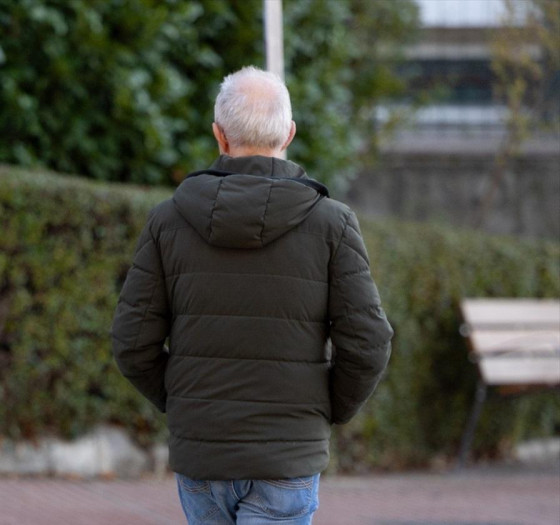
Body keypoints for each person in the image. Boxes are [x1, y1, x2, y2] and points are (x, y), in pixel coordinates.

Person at [111, 66, 393, 524]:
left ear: (219, 136)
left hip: (204, 455)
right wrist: (323, 410)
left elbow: (131, 342)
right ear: (290, 133)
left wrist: (186, 402)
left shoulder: (168, 221)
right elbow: (370, 342)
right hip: (288, 456)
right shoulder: (332, 224)